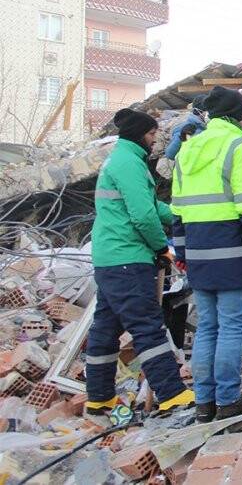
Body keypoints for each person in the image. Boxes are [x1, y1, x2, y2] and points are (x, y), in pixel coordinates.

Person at [171, 86, 242, 423]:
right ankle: (228, 399)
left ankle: (204, 402)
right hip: (234, 253)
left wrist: (182, 252)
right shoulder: (241, 147)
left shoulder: (187, 149)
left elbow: (178, 211)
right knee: (230, 329)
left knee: (206, 329)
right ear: (239, 116)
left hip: (199, 253)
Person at [86, 108, 194, 416]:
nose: (153, 140)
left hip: (110, 258)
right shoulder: (129, 164)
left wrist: (177, 214)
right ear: (139, 134)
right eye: (150, 135)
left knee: (105, 329)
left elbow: (148, 206)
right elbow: (143, 215)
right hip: (128, 259)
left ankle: (100, 397)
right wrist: (162, 247)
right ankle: (172, 393)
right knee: (147, 327)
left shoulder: (119, 159)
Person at [164, 95, 207, 160]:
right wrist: (183, 138)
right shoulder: (186, 127)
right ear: (199, 110)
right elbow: (170, 154)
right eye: (208, 110)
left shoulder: (207, 126)